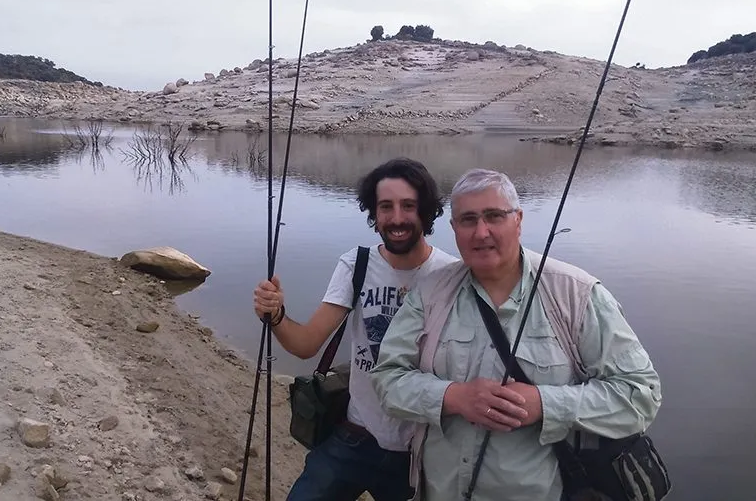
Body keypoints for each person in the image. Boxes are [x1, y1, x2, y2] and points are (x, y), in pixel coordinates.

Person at [369, 168, 663, 501]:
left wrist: (546, 404)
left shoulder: (576, 295)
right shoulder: (429, 293)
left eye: (494, 216)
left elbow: (641, 394)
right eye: (468, 220)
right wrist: (454, 397)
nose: (481, 232)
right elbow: (387, 379)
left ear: (518, 220)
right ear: (453, 229)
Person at [253, 157, 459, 501]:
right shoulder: (356, 265)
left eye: (408, 206)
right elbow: (306, 345)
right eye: (385, 207)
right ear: (373, 213)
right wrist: (276, 316)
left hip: (419, 452)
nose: (396, 218)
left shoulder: (452, 275)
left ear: (426, 210)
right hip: (353, 436)